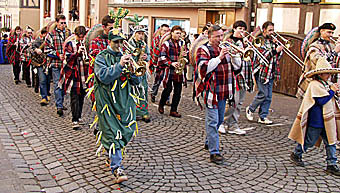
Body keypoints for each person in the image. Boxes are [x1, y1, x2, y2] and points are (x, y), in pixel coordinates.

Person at [93, 28, 140, 184]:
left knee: (126, 130)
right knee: (113, 132)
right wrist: (119, 65)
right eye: (116, 42)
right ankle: (117, 167)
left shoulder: (125, 57)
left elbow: (136, 82)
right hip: (106, 101)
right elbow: (104, 77)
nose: (119, 45)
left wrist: (134, 72)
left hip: (123, 101)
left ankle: (110, 152)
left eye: (121, 42)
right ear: (109, 42)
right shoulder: (101, 57)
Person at [289, 57, 340, 176]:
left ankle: (331, 163)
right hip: (316, 120)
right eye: (326, 73)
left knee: (330, 141)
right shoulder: (314, 85)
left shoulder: (326, 84)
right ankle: (297, 153)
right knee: (309, 141)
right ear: (320, 74)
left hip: (327, 119)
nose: (328, 75)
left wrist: (333, 91)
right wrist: (332, 91)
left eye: (329, 73)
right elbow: (322, 100)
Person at [194, 25, 233, 164]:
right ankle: (214, 152)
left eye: (222, 36)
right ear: (209, 37)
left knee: (220, 119)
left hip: (223, 90)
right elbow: (204, 69)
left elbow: (236, 68)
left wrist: (236, 57)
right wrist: (220, 57)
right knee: (213, 121)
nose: (220, 39)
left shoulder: (226, 48)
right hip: (211, 90)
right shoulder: (203, 49)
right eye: (217, 36)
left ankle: (208, 141)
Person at [218, 21, 254, 135]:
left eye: (244, 29)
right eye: (239, 28)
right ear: (234, 29)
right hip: (234, 76)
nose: (242, 31)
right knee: (232, 102)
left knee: (239, 103)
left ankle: (233, 124)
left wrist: (250, 48)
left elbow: (251, 57)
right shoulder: (229, 42)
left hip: (245, 75)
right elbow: (230, 59)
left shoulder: (246, 42)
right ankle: (222, 123)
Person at [245, 21, 284, 124]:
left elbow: (277, 57)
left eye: (273, 30)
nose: (272, 32)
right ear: (264, 30)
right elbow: (263, 57)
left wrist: (279, 50)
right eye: (270, 30)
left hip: (271, 71)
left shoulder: (273, 41)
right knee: (263, 94)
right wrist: (275, 51)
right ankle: (250, 109)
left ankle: (263, 116)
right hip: (261, 70)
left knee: (269, 96)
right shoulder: (259, 40)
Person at [297, 23, 340, 98]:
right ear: (321, 31)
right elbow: (319, 61)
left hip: (326, 81)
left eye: (332, 33)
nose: (331, 35)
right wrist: (335, 52)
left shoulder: (330, 45)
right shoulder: (314, 46)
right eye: (329, 32)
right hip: (314, 81)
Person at [59, 26, 88, 130]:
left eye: (82, 37)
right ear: (75, 35)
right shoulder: (70, 44)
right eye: (79, 37)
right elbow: (68, 58)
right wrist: (77, 53)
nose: (80, 39)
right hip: (74, 74)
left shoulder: (85, 44)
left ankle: (79, 116)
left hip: (84, 74)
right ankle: (74, 119)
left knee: (82, 96)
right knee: (74, 96)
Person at [158, 25, 186, 118]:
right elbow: (162, 57)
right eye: (177, 33)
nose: (179, 35)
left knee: (178, 92)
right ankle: (161, 104)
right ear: (172, 33)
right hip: (169, 70)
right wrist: (171, 63)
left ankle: (173, 110)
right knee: (167, 90)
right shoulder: (166, 43)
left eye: (180, 33)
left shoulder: (182, 43)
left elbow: (186, 56)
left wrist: (185, 55)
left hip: (179, 71)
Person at [45, 15, 69, 116]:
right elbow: (47, 50)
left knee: (64, 86)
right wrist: (58, 55)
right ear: (57, 23)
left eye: (64, 23)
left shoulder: (69, 34)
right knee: (57, 85)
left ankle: (61, 102)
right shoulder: (51, 35)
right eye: (61, 23)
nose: (63, 25)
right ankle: (59, 105)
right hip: (56, 64)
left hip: (67, 65)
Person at [128, 25, 151, 123]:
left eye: (142, 34)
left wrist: (146, 57)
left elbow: (149, 55)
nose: (141, 36)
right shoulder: (129, 44)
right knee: (134, 91)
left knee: (144, 90)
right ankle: (134, 112)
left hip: (142, 71)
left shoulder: (144, 44)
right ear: (134, 34)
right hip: (133, 70)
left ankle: (143, 111)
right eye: (139, 33)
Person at [150, 24, 170, 103]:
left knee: (167, 81)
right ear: (161, 31)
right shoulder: (156, 39)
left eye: (167, 31)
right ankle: (153, 94)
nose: (166, 32)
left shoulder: (169, 40)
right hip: (158, 63)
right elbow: (155, 51)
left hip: (167, 63)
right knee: (157, 81)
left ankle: (166, 99)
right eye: (164, 31)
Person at [31, 27, 50, 106]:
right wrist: (36, 50)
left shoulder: (50, 41)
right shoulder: (37, 41)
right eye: (45, 34)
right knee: (42, 80)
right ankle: (43, 97)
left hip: (48, 63)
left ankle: (47, 93)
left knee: (48, 80)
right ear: (42, 34)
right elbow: (31, 49)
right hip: (40, 63)